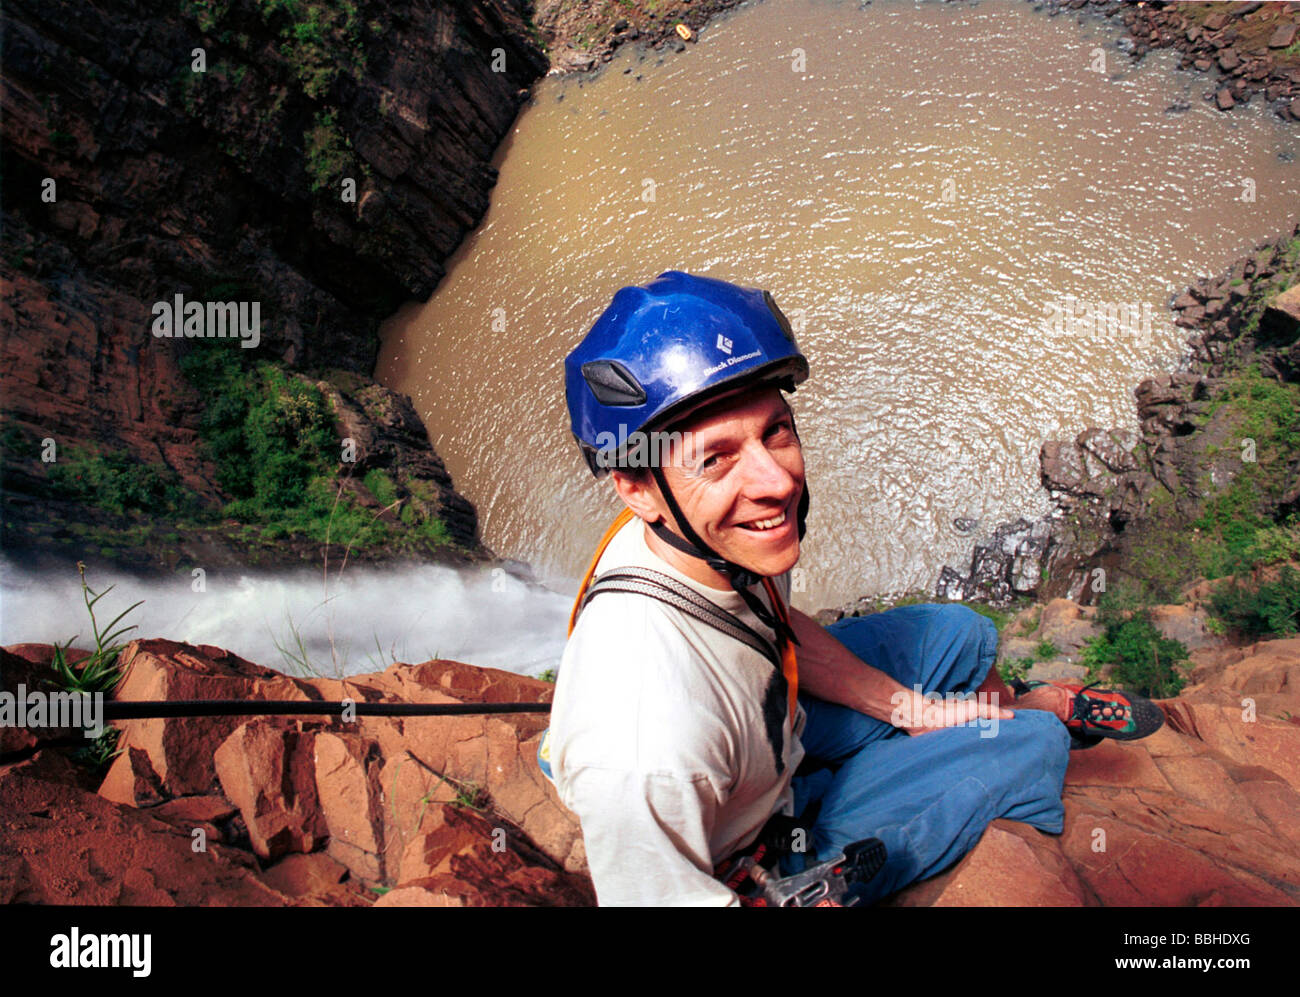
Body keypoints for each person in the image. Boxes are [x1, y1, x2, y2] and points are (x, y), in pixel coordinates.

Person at [542, 271, 1163, 906]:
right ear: (637, 488)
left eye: (775, 431)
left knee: (961, 633)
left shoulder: (713, 534)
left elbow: (771, 629)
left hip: (769, 741)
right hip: (752, 841)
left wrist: (910, 711)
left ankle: (958, 721)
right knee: (1032, 745)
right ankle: (1033, 715)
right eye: (716, 457)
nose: (775, 483)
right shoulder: (646, 740)